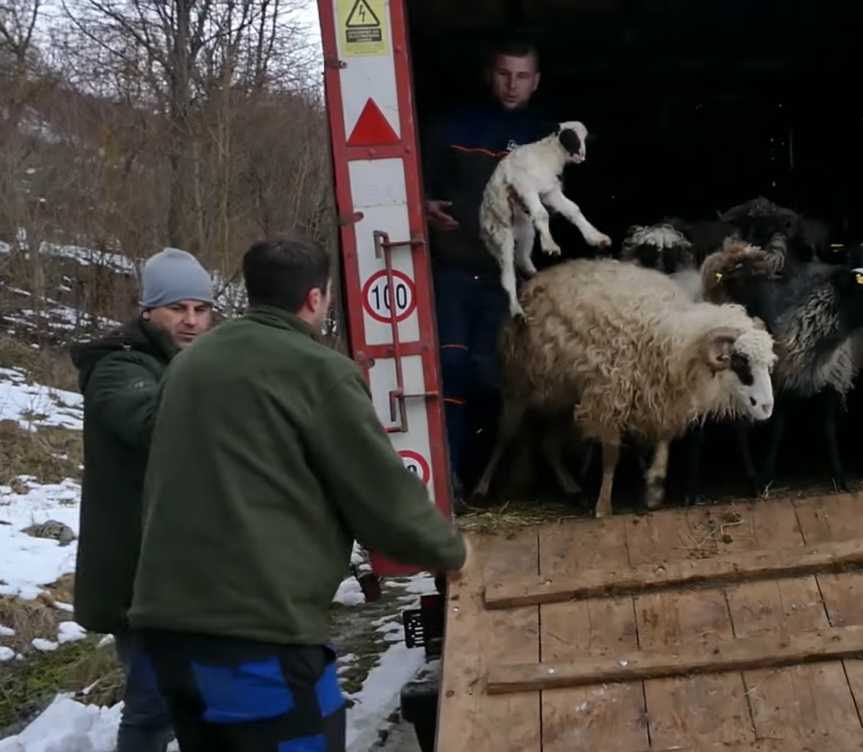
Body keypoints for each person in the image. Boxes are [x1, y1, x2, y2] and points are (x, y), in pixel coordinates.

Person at [127, 237, 468, 751]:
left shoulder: (190, 364)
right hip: (253, 632)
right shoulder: (318, 371)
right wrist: (451, 551)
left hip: (167, 632)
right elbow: (383, 500)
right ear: (316, 298)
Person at [69, 246, 216, 752]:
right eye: (178, 309)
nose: (192, 322)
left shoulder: (183, 362)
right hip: (136, 575)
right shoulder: (117, 366)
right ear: (149, 310)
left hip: (181, 571)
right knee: (154, 708)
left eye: (201, 309)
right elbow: (155, 425)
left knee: (198, 701)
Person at [420, 35, 556, 508]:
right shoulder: (452, 126)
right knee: (450, 368)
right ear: (489, 74)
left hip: (510, 280)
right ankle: (450, 481)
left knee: (496, 375)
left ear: (536, 82)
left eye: (522, 76)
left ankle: (502, 482)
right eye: (503, 73)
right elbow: (416, 184)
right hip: (455, 270)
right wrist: (423, 206)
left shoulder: (549, 137)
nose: (511, 85)